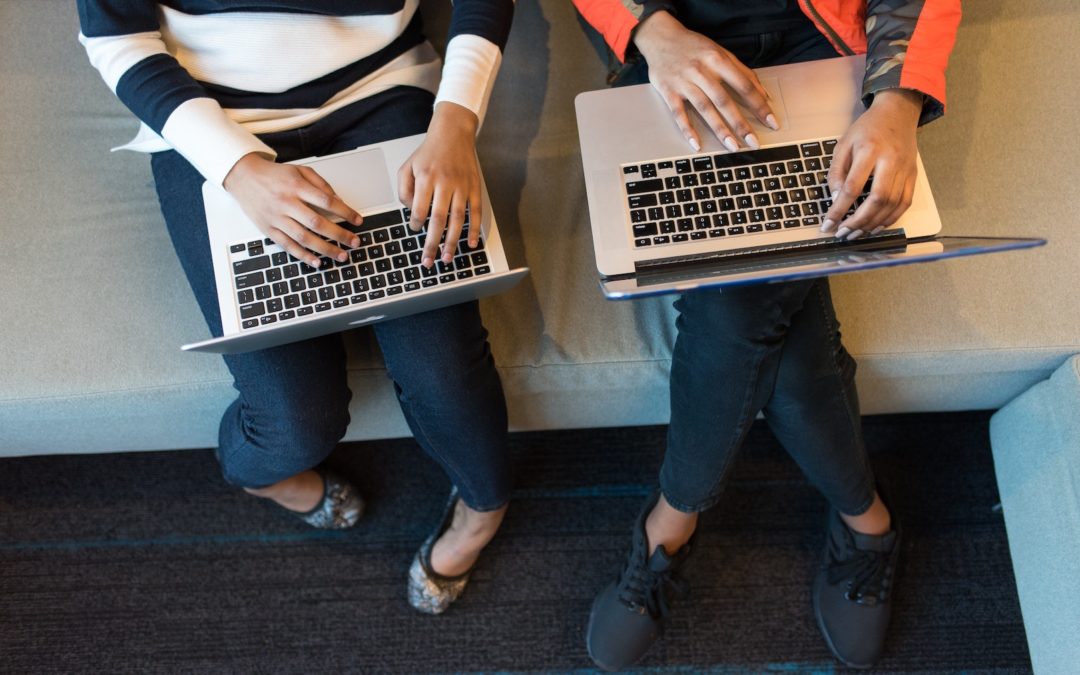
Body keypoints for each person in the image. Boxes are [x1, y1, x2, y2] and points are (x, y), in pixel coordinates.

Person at [76, 0, 516, 615]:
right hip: (211, 111)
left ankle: (483, 511)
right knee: (293, 418)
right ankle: (263, 477)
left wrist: (456, 123)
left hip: (382, 88)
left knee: (445, 369)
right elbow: (116, 36)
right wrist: (238, 169)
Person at [572, 0, 960, 669]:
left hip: (825, 41)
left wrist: (896, 101)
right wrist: (652, 32)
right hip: (675, 44)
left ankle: (672, 519)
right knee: (770, 322)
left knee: (733, 308)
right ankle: (866, 518)